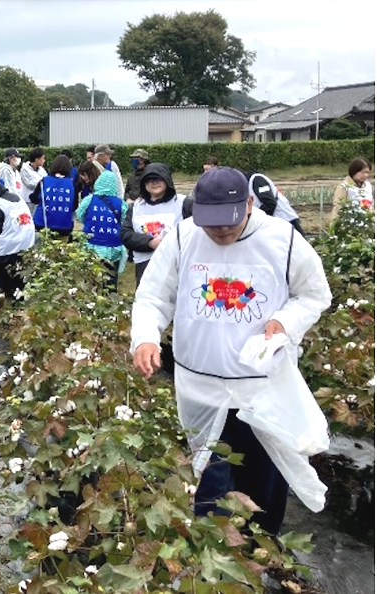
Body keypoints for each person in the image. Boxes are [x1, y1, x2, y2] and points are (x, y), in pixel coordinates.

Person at [131, 166, 332, 535]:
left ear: (250, 203)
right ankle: (215, 555)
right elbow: (153, 296)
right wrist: (145, 336)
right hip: (201, 387)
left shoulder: (283, 240)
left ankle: (262, 551)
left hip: (260, 387)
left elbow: (315, 294)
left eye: (229, 221)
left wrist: (286, 322)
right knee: (210, 474)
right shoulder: (184, 237)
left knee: (264, 476)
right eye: (211, 223)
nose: (220, 230)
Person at [120, 163, 186, 286]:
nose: (154, 182)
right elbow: (126, 234)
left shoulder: (184, 203)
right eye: (149, 180)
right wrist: (149, 242)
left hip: (175, 265)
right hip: (145, 266)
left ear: (167, 180)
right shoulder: (136, 207)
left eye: (158, 178)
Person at [0, 178, 35, 307]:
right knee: (19, 269)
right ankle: (19, 295)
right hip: (27, 240)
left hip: (10, 243)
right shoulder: (17, 197)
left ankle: (0, 291)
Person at [76, 171, 128, 292]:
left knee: (91, 276)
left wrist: (90, 222)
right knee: (110, 276)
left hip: (92, 245)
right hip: (113, 246)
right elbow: (124, 222)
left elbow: (79, 215)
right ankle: (110, 297)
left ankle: (91, 298)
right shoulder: (121, 204)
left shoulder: (89, 200)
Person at [245, 171, 305, 236]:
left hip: (285, 221)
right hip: (275, 223)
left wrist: (255, 221)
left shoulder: (257, 180)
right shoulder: (247, 186)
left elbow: (270, 203)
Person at [29, 154, 75, 237]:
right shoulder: (72, 183)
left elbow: (34, 199)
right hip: (64, 225)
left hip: (43, 223)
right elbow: (74, 205)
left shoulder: (44, 181)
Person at [330, 157, 373, 223]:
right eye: (362, 172)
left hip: (366, 227)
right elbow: (338, 209)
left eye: (367, 172)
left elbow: (371, 206)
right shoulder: (344, 187)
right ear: (354, 171)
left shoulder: (368, 186)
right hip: (349, 226)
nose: (365, 175)